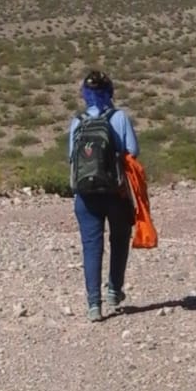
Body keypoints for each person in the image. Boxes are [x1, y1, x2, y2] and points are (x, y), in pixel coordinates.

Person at [67, 69, 140, 322]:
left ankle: (93, 305)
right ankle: (114, 290)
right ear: (109, 92)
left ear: (85, 95)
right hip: (115, 191)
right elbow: (132, 150)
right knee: (119, 240)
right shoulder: (119, 117)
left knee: (91, 246)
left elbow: (71, 158)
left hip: (85, 195)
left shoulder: (78, 121)